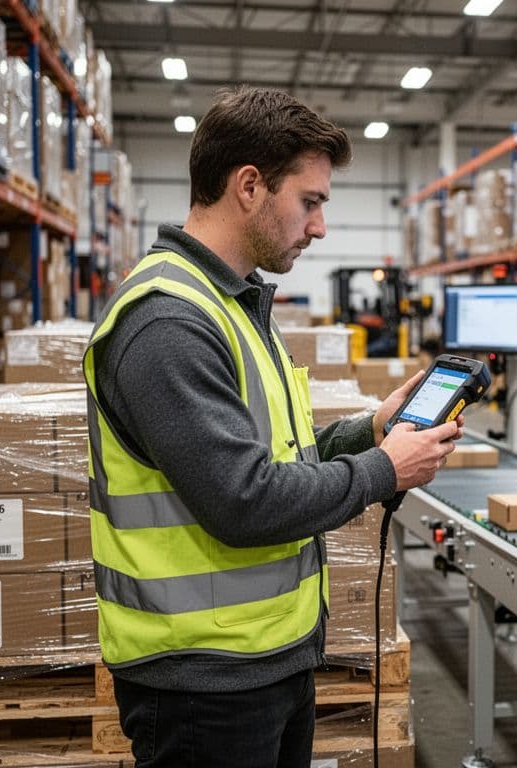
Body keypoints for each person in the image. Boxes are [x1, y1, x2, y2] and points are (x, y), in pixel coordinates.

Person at [83, 86, 461, 768]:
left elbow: (272, 457)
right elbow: (242, 499)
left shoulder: (232, 304)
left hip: (264, 661)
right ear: (249, 186)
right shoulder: (170, 321)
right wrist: (385, 471)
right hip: (203, 683)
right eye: (310, 201)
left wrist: (368, 431)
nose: (319, 226)